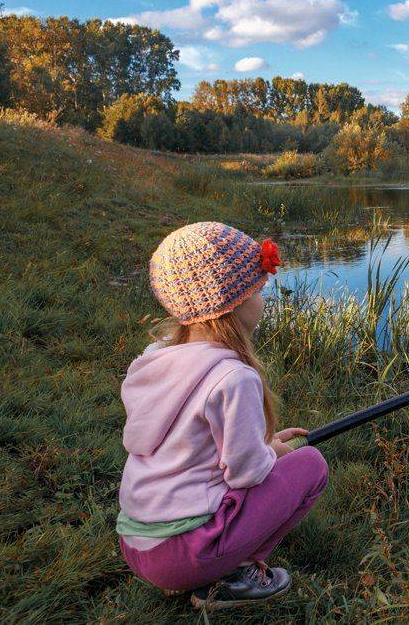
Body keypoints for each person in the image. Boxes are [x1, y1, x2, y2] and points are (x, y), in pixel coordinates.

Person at [116, 221, 328, 611]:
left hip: (136, 546)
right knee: (311, 465)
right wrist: (275, 453)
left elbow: (194, 446)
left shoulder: (154, 359)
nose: (263, 300)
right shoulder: (234, 377)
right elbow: (247, 473)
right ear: (233, 302)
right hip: (183, 556)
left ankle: (202, 570)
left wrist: (264, 442)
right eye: (259, 291)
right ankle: (233, 576)